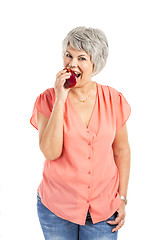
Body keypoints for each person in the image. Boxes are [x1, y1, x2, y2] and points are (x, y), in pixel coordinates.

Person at [30, 26, 131, 240]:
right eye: (68, 55)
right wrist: (60, 98)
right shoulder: (47, 99)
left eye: (81, 58)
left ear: (95, 64)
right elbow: (50, 152)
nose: (72, 64)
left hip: (104, 212)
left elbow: (121, 150)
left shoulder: (113, 100)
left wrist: (122, 198)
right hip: (56, 209)